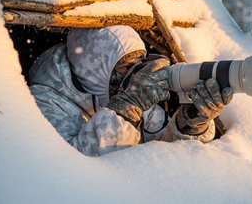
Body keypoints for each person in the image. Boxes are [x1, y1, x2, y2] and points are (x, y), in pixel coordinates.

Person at [28, 25, 233, 156]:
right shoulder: (44, 102)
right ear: (95, 69)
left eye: (139, 64)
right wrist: (126, 109)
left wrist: (190, 123)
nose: (134, 74)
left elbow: (164, 151)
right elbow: (73, 169)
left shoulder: (129, 93)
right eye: (126, 67)